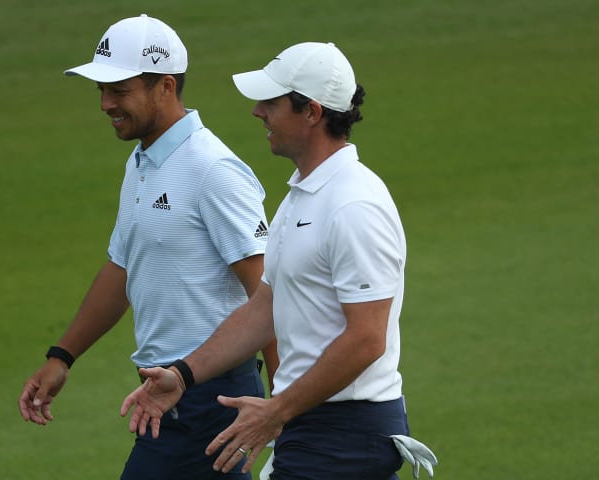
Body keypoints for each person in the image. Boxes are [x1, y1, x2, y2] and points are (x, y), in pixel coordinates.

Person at [121, 42, 428, 480]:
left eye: (271, 102)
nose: (257, 112)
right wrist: (184, 376)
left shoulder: (354, 204)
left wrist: (276, 410)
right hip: (311, 428)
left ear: (312, 112)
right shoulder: (300, 197)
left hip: (347, 434)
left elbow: (367, 338)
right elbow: (265, 309)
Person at [17, 14, 278, 480]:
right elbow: (123, 269)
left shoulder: (212, 170)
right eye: (101, 90)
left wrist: (282, 408)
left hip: (212, 399)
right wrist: (62, 356)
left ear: (165, 87)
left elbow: (271, 295)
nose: (104, 104)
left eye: (119, 90)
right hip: (169, 394)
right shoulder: (141, 163)